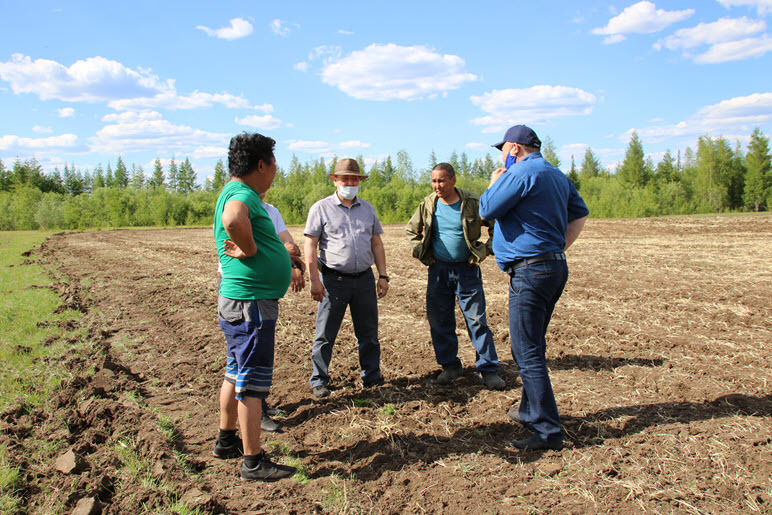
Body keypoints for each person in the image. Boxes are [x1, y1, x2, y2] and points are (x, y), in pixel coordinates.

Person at [479, 125, 589, 451]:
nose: (501, 155)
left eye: (502, 149)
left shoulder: (520, 173)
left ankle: (547, 431)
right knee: (533, 345)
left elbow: (486, 209)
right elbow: (580, 214)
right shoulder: (556, 174)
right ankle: (529, 409)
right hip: (554, 267)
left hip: (530, 271)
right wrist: (556, 248)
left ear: (514, 148)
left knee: (525, 350)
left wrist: (495, 183)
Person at [211, 132, 299, 481]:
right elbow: (233, 219)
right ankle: (253, 462)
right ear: (261, 164)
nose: (276, 170)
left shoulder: (233, 190)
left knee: (235, 371)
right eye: (274, 163)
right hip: (251, 305)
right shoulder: (241, 194)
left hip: (241, 301)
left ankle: (225, 440)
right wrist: (249, 251)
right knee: (251, 382)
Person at [405, 163, 505, 390]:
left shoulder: (473, 202)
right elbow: (412, 231)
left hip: (467, 270)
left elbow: (496, 226)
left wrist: (483, 251)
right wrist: (422, 253)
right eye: (433, 181)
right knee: (440, 321)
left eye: (441, 181)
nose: (437, 186)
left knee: (477, 320)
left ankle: (489, 369)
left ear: (453, 180)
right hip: (438, 271)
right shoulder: (429, 204)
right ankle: (450, 366)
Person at [216, 191, 305, 433]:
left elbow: (289, 245)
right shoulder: (240, 204)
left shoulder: (270, 210)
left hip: (259, 297)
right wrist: (276, 252)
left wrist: (287, 257)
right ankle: (253, 437)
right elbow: (259, 246)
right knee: (248, 367)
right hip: (248, 298)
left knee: (240, 366)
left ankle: (230, 435)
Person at [304, 158, 389, 398]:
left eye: (354, 179)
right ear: (335, 180)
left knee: (369, 332)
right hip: (333, 281)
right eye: (345, 178)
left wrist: (383, 275)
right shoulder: (320, 208)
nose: (350, 183)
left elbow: (377, 243)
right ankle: (319, 380)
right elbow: (310, 245)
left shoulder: (368, 209)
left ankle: (372, 376)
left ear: (360, 181)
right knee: (326, 333)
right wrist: (314, 280)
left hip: (364, 279)